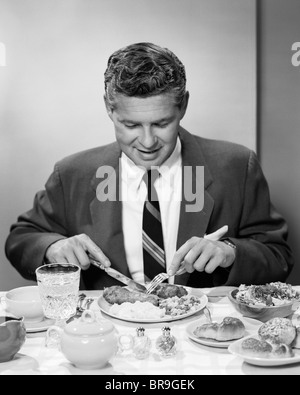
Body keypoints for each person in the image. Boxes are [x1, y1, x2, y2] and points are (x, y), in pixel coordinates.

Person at [5, 42, 293, 290]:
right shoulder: (72, 173)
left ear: (183, 107)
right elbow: (21, 239)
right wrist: (52, 247)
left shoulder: (236, 166)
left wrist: (231, 252)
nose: (147, 141)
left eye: (161, 123)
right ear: (109, 109)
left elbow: (278, 257)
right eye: (131, 125)